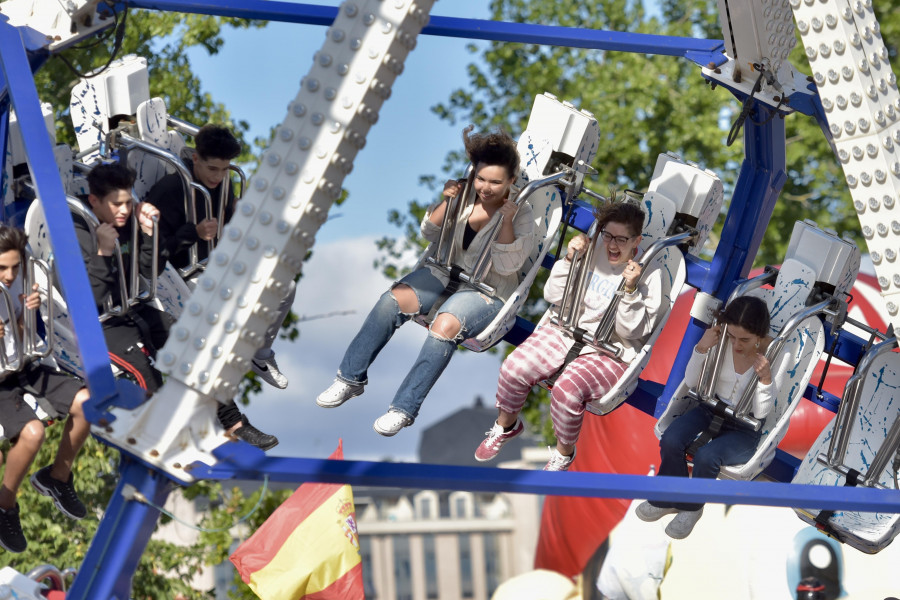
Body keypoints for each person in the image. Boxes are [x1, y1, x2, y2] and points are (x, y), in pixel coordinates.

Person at [317, 126, 535, 436]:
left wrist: (508, 222)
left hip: (487, 290)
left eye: (495, 182)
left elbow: (507, 263)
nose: (486, 188)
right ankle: (349, 379)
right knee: (392, 300)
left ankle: (404, 409)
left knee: (445, 325)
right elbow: (429, 233)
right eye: (481, 179)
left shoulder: (522, 214)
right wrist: (446, 202)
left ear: (511, 181)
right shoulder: (464, 195)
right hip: (443, 271)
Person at [77, 163, 278, 450]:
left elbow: (150, 268)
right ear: (95, 201)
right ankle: (160, 442)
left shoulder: (126, 221)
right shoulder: (78, 231)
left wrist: (148, 233)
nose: (124, 210)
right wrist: (103, 253)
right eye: (116, 204)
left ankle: (233, 424)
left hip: (131, 308)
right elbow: (91, 299)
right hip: (99, 324)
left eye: (127, 203)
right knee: (144, 373)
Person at [472, 201, 664, 471]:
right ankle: (506, 425)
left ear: (637, 240)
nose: (612, 244)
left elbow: (632, 331)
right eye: (607, 235)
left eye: (621, 239)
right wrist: (569, 260)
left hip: (610, 351)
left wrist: (631, 290)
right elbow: (553, 296)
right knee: (514, 368)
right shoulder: (590, 249)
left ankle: (564, 452)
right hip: (564, 331)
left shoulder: (650, 274)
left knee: (567, 390)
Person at [144, 124, 294, 390]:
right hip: (181, 275)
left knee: (285, 287)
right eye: (213, 169)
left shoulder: (223, 182)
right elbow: (153, 253)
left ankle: (259, 356)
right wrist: (193, 233)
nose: (219, 176)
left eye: (225, 169)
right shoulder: (169, 191)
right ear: (196, 159)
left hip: (216, 262)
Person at [635, 295, 777, 539]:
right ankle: (669, 495)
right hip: (710, 407)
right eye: (732, 336)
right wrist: (701, 349)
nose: (736, 345)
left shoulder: (772, 355)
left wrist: (765, 380)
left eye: (745, 340)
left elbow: (763, 412)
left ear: (760, 337)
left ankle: (692, 507)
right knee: (671, 439)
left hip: (744, 428)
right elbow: (691, 382)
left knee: (707, 456)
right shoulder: (720, 342)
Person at [0, 226, 91, 553]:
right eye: (2, 268)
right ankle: (5, 505)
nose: (10, 275)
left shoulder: (20, 280)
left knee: (87, 403)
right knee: (33, 433)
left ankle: (57, 476)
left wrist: (28, 312)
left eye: (14, 266)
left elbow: (22, 334)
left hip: (26, 363)